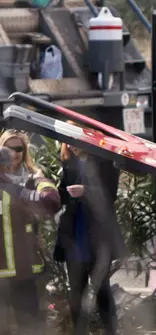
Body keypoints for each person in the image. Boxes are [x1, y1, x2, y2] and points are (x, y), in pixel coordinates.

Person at [54, 142, 125, 335]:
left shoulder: (104, 162)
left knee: (102, 287)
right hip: (74, 234)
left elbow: (109, 195)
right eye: (66, 141)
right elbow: (61, 193)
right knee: (76, 290)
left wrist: (86, 191)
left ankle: (111, 330)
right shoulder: (69, 163)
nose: (70, 145)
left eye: (75, 139)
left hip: (98, 234)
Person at [0, 136, 61, 334]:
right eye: (7, 149)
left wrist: (23, 193)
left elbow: (51, 202)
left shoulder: (33, 178)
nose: (13, 154)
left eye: (18, 148)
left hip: (24, 267)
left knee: (30, 326)